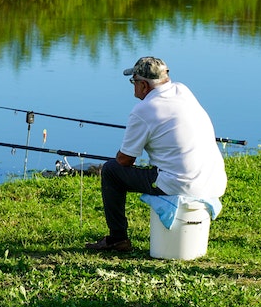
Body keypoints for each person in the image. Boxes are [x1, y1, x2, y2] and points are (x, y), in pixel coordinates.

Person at [85, 56, 227, 253]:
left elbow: (124, 160)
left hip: (181, 183)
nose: (132, 86)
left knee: (111, 171)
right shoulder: (183, 90)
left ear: (144, 85)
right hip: (214, 179)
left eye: (133, 81)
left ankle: (117, 239)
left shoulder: (143, 110)